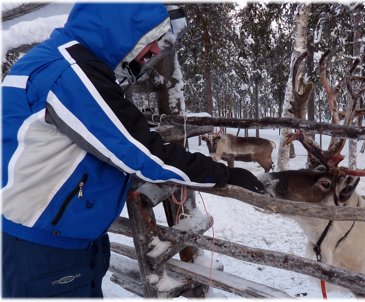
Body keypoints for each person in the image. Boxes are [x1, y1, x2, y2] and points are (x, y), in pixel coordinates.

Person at [1, 3, 264, 298]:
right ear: (125, 28)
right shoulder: (69, 73)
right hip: (48, 250)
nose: (151, 55)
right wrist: (224, 173)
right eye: (149, 44)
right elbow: (143, 152)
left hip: (57, 238)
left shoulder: (54, 59)